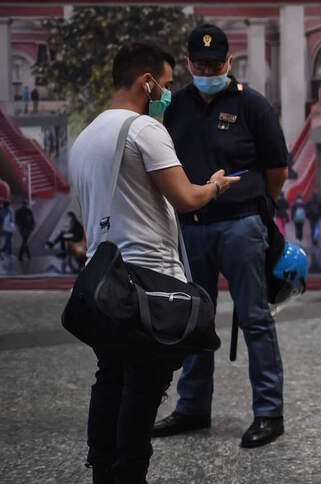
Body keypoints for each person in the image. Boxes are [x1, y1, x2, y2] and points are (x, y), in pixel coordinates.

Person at [69, 42, 239, 483]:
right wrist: (216, 186)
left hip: (104, 286)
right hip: (149, 285)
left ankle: (103, 470)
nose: (167, 93)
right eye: (164, 85)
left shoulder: (84, 139)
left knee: (110, 378)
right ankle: (129, 474)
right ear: (147, 82)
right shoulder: (145, 130)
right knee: (142, 390)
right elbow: (186, 197)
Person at [153, 24, 289, 449]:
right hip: (191, 228)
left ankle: (269, 413)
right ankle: (193, 407)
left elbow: (277, 170)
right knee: (194, 319)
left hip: (242, 226)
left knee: (255, 319)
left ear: (230, 62)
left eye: (216, 63)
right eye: (200, 63)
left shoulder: (252, 105)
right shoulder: (174, 107)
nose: (208, 69)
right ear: (189, 62)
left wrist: (252, 204)